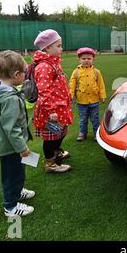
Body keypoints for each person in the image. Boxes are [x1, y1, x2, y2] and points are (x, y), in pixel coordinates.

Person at [0, 50, 35, 217]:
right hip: (11, 147)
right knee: (11, 175)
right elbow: (11, 129)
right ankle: (10, 206)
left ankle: (17, 191)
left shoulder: (2, 90)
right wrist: (22, 148)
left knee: (17, 172)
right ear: (16, 74)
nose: (26, 75)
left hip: (11, 145)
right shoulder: (9, 99)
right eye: (24, 72)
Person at [32, 29, 73, 173]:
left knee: (61, 132)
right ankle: (50, 163)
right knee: (50, 138)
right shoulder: (44, 66)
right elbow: (44, 92)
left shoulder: (53, 63)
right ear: (48, 47)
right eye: (59, 46)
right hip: (51, 110)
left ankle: (57, 152)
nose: (61, 49)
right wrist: (51, 110)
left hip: (59, 107)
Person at [69, 47, 106, 142]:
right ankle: (82, 133)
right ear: (79, 59)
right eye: (83, 58)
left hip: (94, 100)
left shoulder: (96, 72)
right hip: (82, 101)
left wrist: (102, 95)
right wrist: (70, 96)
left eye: (89, 59)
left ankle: (96, 134)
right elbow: (72, 85)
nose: (86, 61)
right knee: (83, 118)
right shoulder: (76, 72)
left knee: (95, 119)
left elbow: (101, 84)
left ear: (93, 59)